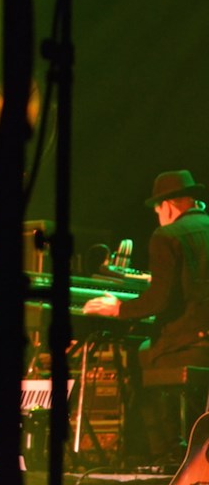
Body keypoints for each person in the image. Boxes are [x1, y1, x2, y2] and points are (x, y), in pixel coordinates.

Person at [84, 170, 209, 466]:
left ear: (167, 206)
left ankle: (166, 451)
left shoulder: (166, 236)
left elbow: (159, 299)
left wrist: (118, 308)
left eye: (157, 211)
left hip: (189, 340)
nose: (158, 216)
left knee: (138, 357)